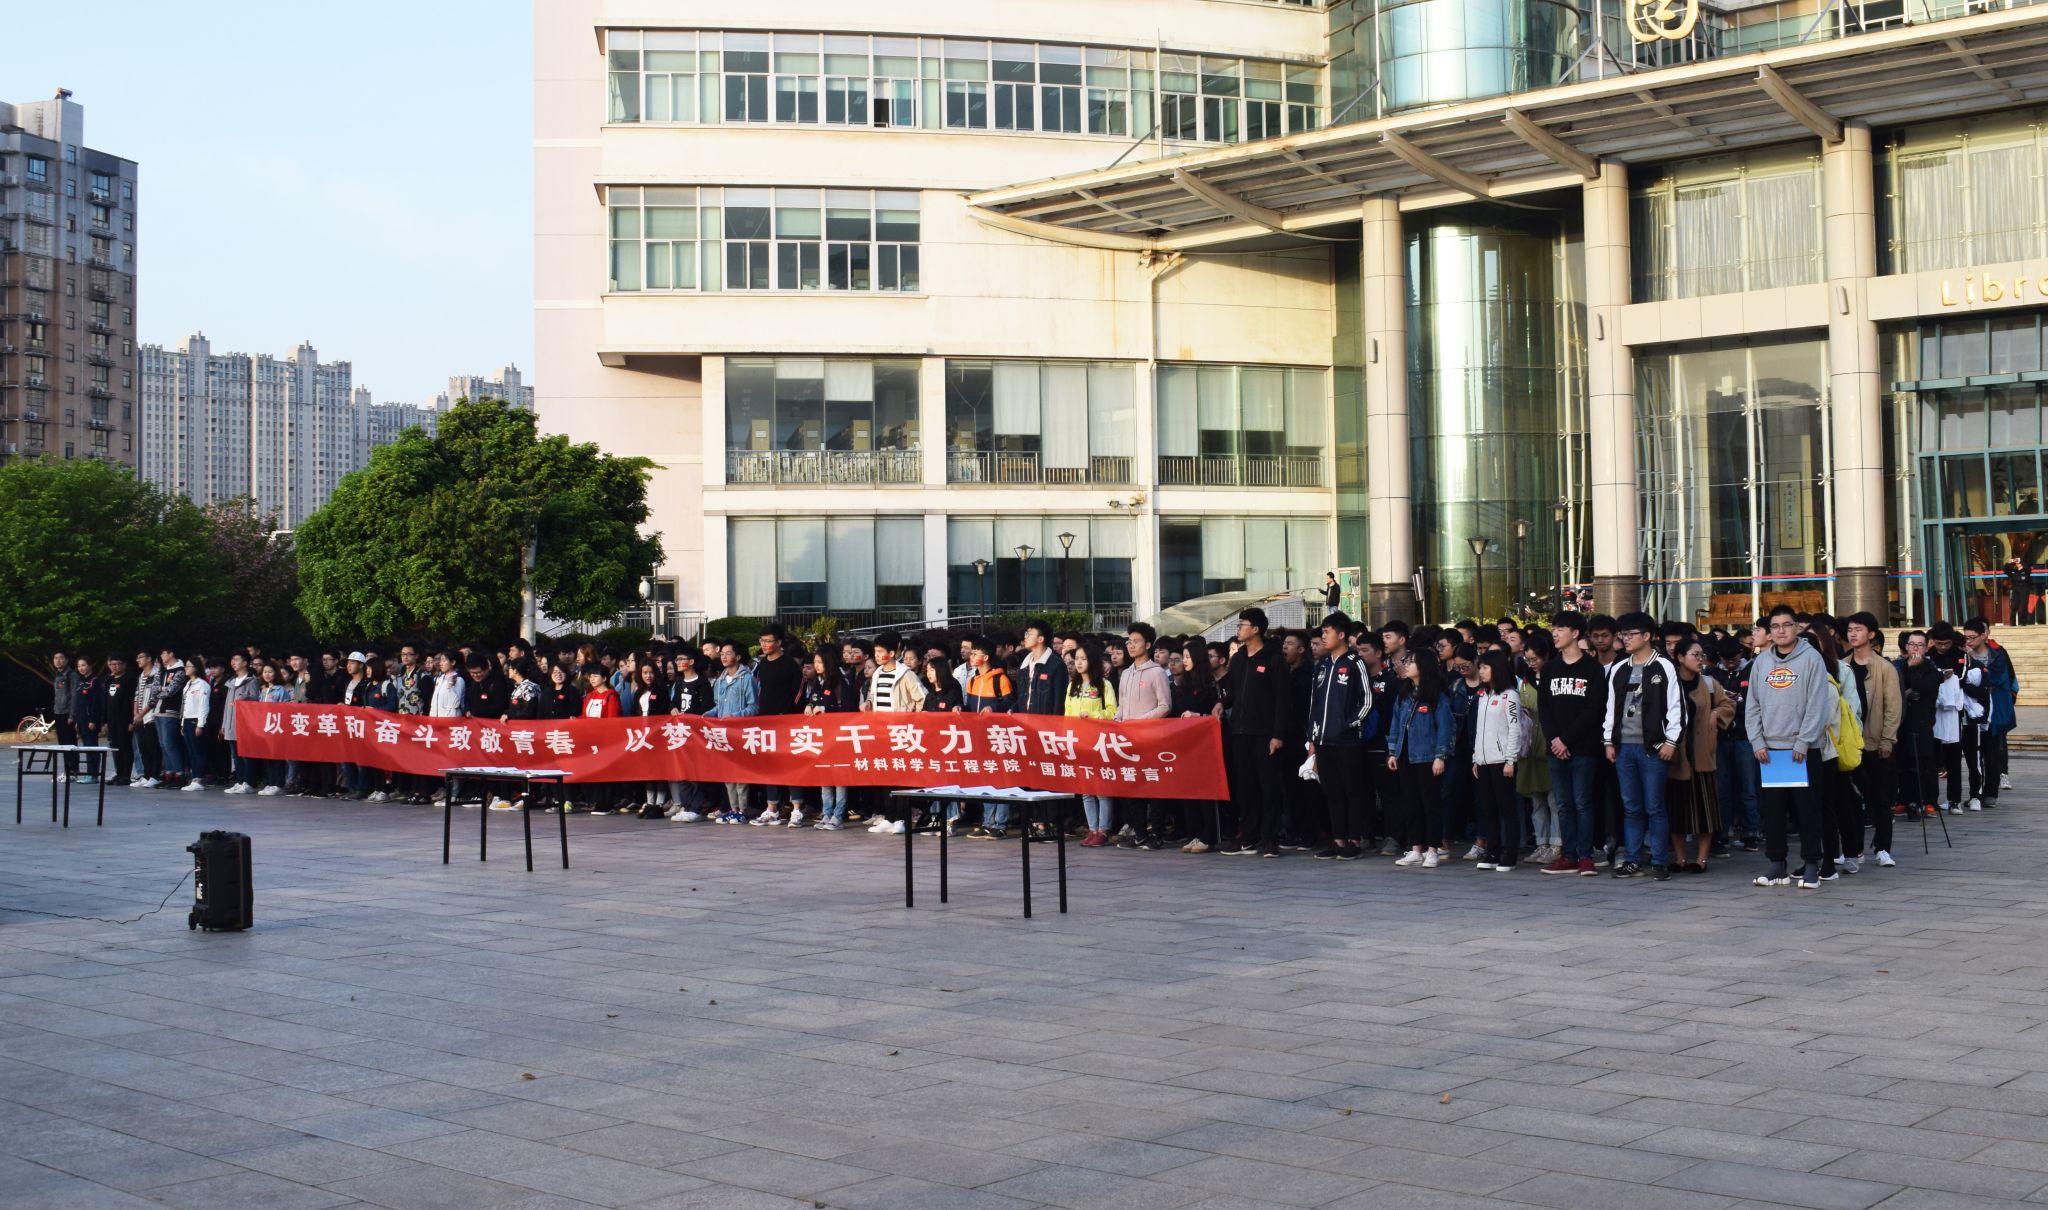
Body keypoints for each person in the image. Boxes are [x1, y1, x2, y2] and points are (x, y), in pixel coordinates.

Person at [1748, 603, 1836, 890]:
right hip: (1770, 751)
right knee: (1773, 812)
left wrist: (1803, 741)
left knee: (1807, 810)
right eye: (1775, 626)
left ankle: (1812, 864)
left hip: (1802, 750)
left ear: (1797, 627)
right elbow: (1752, 705)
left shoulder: (1812, 659)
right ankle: (1777, 864)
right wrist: (1757, 741)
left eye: (1787, 625)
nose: (1781, 631)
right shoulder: (1762, 662)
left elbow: (1817, 703)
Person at [1601, 611, 1681, 881]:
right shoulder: (1619, 668)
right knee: (1631, 806)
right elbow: (1611, 707)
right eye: (1622, 635)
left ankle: (1659, 861)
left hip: (1653, 747)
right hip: (1624, 746)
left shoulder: (1664, 666)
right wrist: (1609, 741)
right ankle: (1632, 859)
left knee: (1655, 806)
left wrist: (1671, 742)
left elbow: (1676, 706)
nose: (1625, 639)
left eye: (1630, 634)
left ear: (1647, 636)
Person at [1539, 613, 1608, 877]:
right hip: (1556, 749)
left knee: (1582, 802)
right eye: (1553, 628)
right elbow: (1545, 709)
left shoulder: (1593, 669)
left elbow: (1593, 710)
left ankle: (1586, 856)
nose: (1555, 633)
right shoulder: (1549, 669)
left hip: (1584, 748)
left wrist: (1566, 739)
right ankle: (1568, 855)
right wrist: (1555, 740)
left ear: (1576, 633)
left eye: (1561, 628)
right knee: (1563, 804)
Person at [1221, 608, 1288, 859]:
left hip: (1265, 734)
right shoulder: (1238, 659)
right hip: (1240, 732)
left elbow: (1282, 699)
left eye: (1243, 624)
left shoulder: (1273, 659)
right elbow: (1233, 692)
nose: (1238, 628)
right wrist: (1221, 704)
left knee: (1268, 787)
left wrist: (1278, 734)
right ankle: (1248, 836)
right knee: (1245, 787)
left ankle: (1269, 839)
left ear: (1256, 629)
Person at [1666, 636, 1733, 873]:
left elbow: (1728, 705)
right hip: (1676, 755)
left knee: (1706, 811)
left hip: (1703, 754)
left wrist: (1716, 713)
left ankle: (1701, 859)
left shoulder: (1709, 683)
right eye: (1695, 655)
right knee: (1676, 810)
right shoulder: (1668, 682)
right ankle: (1680, 858)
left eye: (1702, 655)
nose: (1700, 659)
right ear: (1680, 657)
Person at [1388, 647, 1453, 868]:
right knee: (1410, 803)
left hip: (1428, 757)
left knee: (1430, 804)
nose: (1406, 665)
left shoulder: (1436, 696)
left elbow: (1445, 728)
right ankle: (1416, 848)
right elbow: (1395, 723)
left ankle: (1433, 849)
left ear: (1424, 666)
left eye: (1411, 662)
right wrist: (1392, 751)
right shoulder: (1404, 694)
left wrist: (1440, 756)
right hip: (1405, 755)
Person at [1845, 612, 1900, 868]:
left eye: (1858, 629)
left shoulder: (1885, 668)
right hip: (1849, 743)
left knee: (1880, 797)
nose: (1853, 634)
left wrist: (1887, 740)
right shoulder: (1842, 665)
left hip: (1876, 742)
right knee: (1852, 799)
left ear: (1871, 634)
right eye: (1850, 630)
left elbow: (1893, 708)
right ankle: (1854, 849)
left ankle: (1883, 847)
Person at [1115, 623, 1173, 851]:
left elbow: (1165, 706)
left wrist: (1140, 721)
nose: (1131, 645)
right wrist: (1117, 720)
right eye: (1129, 641)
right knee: (1133, 786)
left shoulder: (1156, 672)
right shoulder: (1126, 673)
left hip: (1150, 738)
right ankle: (1139, 833)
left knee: (1153, 786)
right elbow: (1121, 705)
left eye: (1136, 641)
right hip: (1128, 738)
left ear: (1148, 645)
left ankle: (1156, 833)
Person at [1470, 649, 1527, 871]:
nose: (1481, 671)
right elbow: (1480, 729)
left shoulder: (1510, 695)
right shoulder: (1483, 695)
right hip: (1484, 761)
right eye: (1481, 667)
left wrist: (1510, 760)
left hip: (1502, 761)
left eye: (1485, 667)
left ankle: (1510, 854)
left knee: (1507, 809)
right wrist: (1476, 758)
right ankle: (1492, 852)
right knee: (1488, 809)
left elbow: (1515, 729)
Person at [862, 632, 924, 835]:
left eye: (880, 652)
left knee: (901, 776)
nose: (877, 655)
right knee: (885, 774)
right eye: (875, 652)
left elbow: (921, 697)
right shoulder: (878, 673)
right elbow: (873, 694)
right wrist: (869, 702)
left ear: (891, 653)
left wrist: (912, 720)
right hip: (881, 732)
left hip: (901, 732)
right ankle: (889, 817)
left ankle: (901, 818)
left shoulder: (906, 674)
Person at [1066, 642, 1119, 848]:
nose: (1079, 663)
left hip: (1098, 742)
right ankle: (1092, 828)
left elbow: (1113, 712)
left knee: (1101, 788)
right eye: (1076, 659)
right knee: (1086, 790)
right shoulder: (1073, 686)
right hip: (1079, 742)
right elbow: (1067, 714)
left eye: (1083, 659)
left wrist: (1093, 715)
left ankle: (1103, 830)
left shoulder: (1104, 685)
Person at [751, 624, 805, 826]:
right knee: (770, 766)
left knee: (791, 765)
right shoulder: (762, 664)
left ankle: (797, 809)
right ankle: (772, 808)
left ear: (779, 642)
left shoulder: (789, 664)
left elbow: (799, 691)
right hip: (766, 723)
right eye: (762, 641)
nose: (764, 644)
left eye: (769, 641)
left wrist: (789, 712)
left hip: (787, 722)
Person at [1962, 617, 2017, 809]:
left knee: (1991, 753)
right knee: (1974, 756)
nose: (1969, 641)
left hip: (1993, 713)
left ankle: (1991, 793)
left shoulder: (1997, 656)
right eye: (1966, 637)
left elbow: (1994, 679)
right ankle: (1975, 794)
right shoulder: (1963, 656)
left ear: (1983, 636)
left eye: (1972, 637)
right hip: (1971, 713)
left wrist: (1973, 663)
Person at [1895, 630, 1941, 836]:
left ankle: (1921, 801)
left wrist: (1913, 670)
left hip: (1922, 723)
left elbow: (1923, 687)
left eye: (1919, 644)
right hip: (1901, 722)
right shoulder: (1897, 666)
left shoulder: (1931, 669)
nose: (1915, 648)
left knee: (1921, 762)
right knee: (1903, 762)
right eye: (1911, 644)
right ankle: (1903, 799)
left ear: (1927, 647)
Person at [709, 641, 758, 825]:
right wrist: (709, 714)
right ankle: (733, 809)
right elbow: (718, 706)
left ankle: (743, 810)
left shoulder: (746, 678)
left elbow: (753, 707)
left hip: (740, 732)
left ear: (737, 657)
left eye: (728, 653)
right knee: (728, 774)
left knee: (740, 774)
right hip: (724, 734)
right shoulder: (720, 680)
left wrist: (735, 717)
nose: (723, 657)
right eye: (722, 653)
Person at [221, 652, 262, 795]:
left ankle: (248, 783)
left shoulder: (251, 681)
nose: (233, 662)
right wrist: (224, 724)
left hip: (245, 724)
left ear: (245, 663)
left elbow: (256, 700)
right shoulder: (231, 681)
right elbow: (227, 705)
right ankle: (239, 782)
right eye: (232, 659)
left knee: (246, 755)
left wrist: (245, 697)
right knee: (235, 755)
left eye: (236, 659)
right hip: (231, 723)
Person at [256, 662, 294, 795]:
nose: (267, 674)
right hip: (265, 727)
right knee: (267, 756)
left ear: (276, 674)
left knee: (276, 756)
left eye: (270, 672)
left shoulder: (281, 689)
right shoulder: (263, 690)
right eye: (265, 672)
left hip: (277, 727)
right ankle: (270, 783)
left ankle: (278, 784)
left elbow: (285, 709)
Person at [102, 653, 137, 786]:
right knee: (115, 747)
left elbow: (132, 701)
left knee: (125, 747)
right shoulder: (109, 680)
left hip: (125, 720)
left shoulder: (130, 679)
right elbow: (106, 701)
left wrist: (131, 720)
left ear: (124, 665)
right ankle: (119, 772)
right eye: (112, 664)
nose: (115, 667)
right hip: (112, 720)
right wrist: (104, 721)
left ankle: (125, 775)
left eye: (117, 664)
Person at [178, 655, 212, 792]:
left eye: (188, 666)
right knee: (191, 751)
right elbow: (185, 705)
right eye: (185, 666)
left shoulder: (202, 684)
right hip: (187, 720)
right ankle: (194, 778)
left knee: (198, 751)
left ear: (196, 668)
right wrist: (182, 723)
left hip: (195, 720)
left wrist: (200, 724)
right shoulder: (188, 684)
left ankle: (199, 778)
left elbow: (203, 706)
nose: (186, 668)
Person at [49, 650, 80, 775]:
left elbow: (74, 696)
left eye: (61, 658)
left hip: (68, 714)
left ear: (67, 660)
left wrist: (72, 715)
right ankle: (68, 771)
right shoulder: (58, 674)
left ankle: (73, 770)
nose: (58, 660)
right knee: (62, 744)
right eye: (55, 658)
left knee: (70, 743)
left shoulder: (71, 675)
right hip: (58, 713)